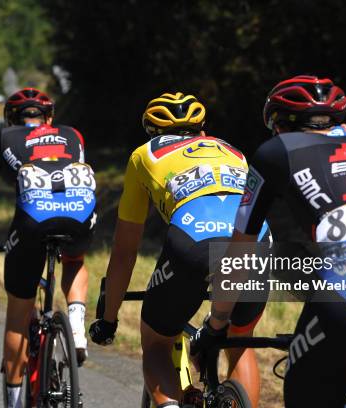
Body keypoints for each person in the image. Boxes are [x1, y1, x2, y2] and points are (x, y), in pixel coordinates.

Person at [192, 76, 346, 407]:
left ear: (279, 125)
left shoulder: (275, 151)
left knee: (306, 391)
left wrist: (217, 323)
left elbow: (241, 252)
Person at [89, 92, 270, 408]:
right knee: (239, 340)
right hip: (259, 241)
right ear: (202, 130)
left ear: (152, 132)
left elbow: (125, 249)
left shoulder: (143, 156)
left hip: (195, 239)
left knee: (157, 341)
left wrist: (109, 317)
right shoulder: (233, 151)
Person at [0, 88, 96, 407]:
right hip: (79, 214)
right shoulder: (72, 134)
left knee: (18, 312)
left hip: (32, 221)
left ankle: (13, 401)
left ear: (11, 118)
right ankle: (77, 323)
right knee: (74, 259)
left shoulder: (1, 138)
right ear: (49, 117)